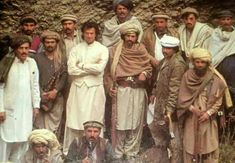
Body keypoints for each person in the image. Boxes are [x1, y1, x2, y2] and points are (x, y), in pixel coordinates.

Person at [105, 23, 152, 161]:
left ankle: (131, 152)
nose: (130, 39)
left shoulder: (142, 49)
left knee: (136, 122)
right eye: (128, 36)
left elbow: (148, 67)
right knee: (121, 121)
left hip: (137, 89)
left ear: (137, 37)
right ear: (123, 36)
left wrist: (144, 73)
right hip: (122, 90)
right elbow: (108, 72)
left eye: (133, 36)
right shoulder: (115, 50)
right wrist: (109, 88)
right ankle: (119, 152)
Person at [63, 21, 109, 155]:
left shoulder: (102, 49)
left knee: (93, 120)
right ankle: (72, 151)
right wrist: (91, 68)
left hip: (95, 90)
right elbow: (71, 70)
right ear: (82, 33)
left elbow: (100, 69)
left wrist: (82, 66)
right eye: (87, 33)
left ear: (96, 34)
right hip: (78, 89)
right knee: (74, 119)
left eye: (92, 33)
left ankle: (95, 152)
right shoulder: (76, 49)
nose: (89, 36)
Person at [177, 48, 226, 163]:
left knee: (208, 147)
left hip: (208, 118)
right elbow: (181, 98)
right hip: (192, 117)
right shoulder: (187, 76)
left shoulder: (215, 78)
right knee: (190, 146)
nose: (199, 65)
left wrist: (208, 114)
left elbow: (218, 101)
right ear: (193, 62)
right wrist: (192, 109)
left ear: (207, 63)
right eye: (197, 62)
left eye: (202, 62)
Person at [146, 35, 187, 163]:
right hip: (160, 102)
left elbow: (175, 88)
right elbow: (157, 80)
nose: (165, 50)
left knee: (174, 137)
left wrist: (169, 110)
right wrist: (153, 92)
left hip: (171, 106)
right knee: (159, 132)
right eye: (163, 47)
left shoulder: (178, 63)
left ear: (175, 49)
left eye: (168, 48)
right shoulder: (164, 61)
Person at [0, 35, 40, 162]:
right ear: (15, 49)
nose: (24, 51)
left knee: (23, 139)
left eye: (26, 48)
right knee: (6, 140)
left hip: (25, 108)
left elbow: (35, 85)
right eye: (21, 48)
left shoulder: (32, 63)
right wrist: (0, 109)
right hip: (9, 109)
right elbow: (0, 87)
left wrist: (36, 106)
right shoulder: (6, 63)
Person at [34, 30, 67, 134]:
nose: (50, 44)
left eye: (52, 42)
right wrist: (41, 93)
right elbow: (34, 77)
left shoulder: (61, 59)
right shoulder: (37, 58)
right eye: (47, 42)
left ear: (56, 43)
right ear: (43, 43)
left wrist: (55, 91)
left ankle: (52, 149)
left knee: (54, 127)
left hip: (56, 97)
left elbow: (64, 76)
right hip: (40, 97)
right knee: (39, 127)